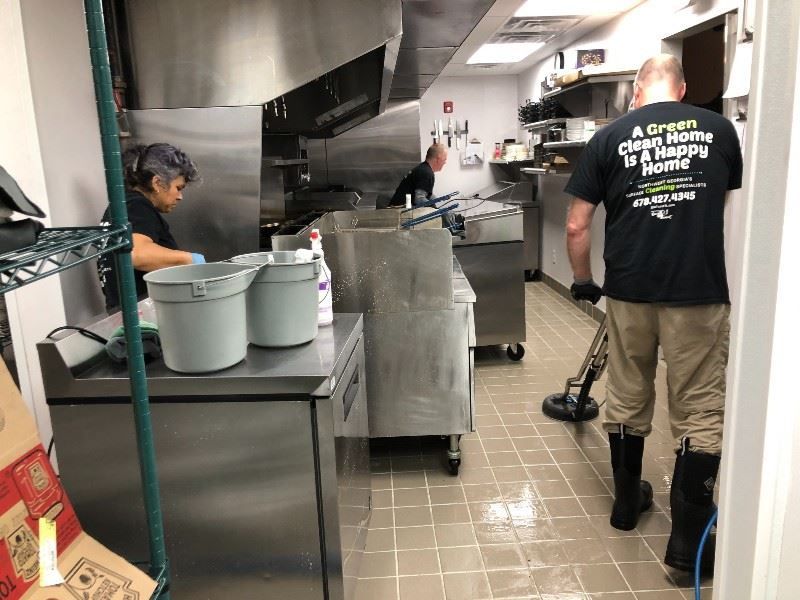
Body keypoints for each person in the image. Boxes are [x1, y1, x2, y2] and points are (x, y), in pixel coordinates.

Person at [563, 54, 743, 573]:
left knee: (627, 393)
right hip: (698, 292)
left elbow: (577, 225)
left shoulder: (608, 138)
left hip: (629, 290)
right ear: (682, 89)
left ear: (637, 91)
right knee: (699, 408)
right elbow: (729, 209)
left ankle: (625, 507)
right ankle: (687, 546)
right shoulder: (721, 130)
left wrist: (583, 281)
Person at [98, 143, 203, 309]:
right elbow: (136, 253)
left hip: (123, 313)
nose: (180, 196)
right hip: (141, 316)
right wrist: (190, 260)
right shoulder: (137, 206)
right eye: (178, 188)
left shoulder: (121, 207)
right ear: (157, 183)